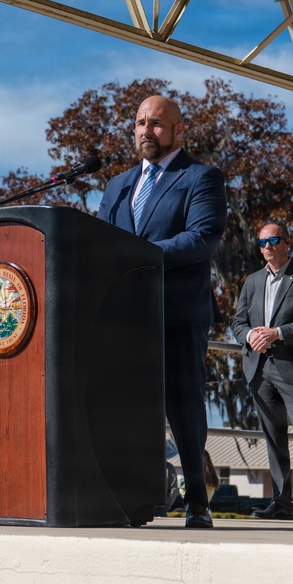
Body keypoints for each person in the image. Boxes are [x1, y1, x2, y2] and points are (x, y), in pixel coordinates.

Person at [97, 94, 227, 529]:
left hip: (177, 311)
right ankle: (135, 496)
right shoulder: (117, 186)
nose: (145, 130)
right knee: (124, 405)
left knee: (183, 406)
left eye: (155, 123)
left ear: (178, 130)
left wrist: (139, 254)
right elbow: (100, 243)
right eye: (139, 122)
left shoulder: (201, 178)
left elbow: (202, 239)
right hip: (124, 316)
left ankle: (197, 502)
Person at [231, 222, 293, 522]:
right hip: (260, 370)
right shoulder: (251, 281)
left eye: (273, 240)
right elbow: (238, 323)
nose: (267, 247)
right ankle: (281, 502)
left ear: (288, 242)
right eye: (262, 242)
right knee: (273, 436)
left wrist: (278, 333)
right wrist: (250, 337)